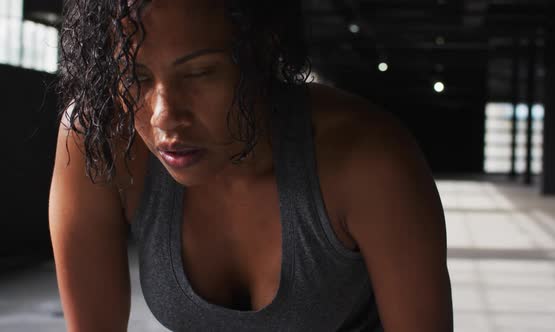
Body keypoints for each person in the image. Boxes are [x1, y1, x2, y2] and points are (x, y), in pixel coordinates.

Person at [48, 0, 453, 331]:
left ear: (262, 51)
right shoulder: (100, 140)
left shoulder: (367, 159)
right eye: (135, 77)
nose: (164, 117)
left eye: (201, 73)